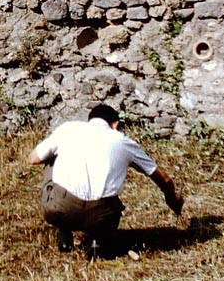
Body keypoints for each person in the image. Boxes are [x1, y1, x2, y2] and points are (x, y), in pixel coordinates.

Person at [27, 104, 184, 257]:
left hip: (59, 209)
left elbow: (33, 158)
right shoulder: (124, 142)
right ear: (115, 124)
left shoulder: (68, 129)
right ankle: (98, 239)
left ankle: (64, 232)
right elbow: (164, 179)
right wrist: (173, 200)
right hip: (102, 218)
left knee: (50, 158)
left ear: (90, 120)